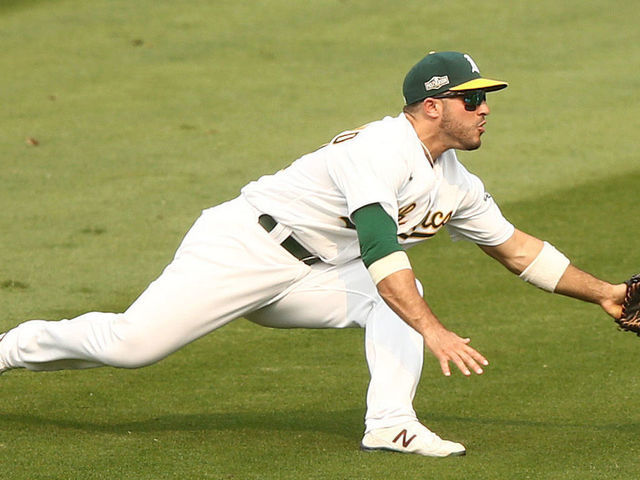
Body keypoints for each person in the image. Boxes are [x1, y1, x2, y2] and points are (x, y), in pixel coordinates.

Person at [0, 51, 627, 458]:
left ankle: (389, 422)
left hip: (314, 273)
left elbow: (518, 251)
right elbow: (381, 244)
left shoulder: (455, 180)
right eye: (473, 98)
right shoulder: (379, 149)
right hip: (244, 247)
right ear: (433, 106)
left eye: (486, 97)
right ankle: (8, 348)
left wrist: (604, 293)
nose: (485, 108)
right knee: (130, 347)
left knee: (400, 304)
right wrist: (433, 332)